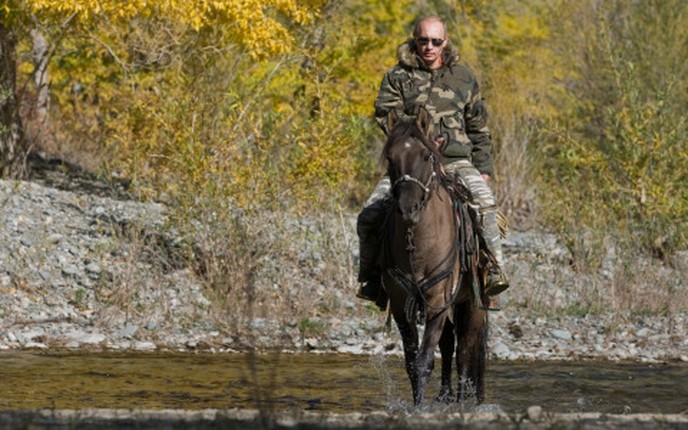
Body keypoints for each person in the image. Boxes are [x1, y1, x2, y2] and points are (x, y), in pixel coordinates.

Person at [356, 15, 509, 309]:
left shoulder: (463, 77)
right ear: (414, 39)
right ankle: (372, 278)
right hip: (410, 164)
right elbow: (385, 117)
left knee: (486, 208)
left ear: (445, 42)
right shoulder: (396, 77)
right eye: (423, 40)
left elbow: (478, 126)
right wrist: (419, 141)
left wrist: (484, 167)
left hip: (456, 161)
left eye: (436, 41)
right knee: (368, 215)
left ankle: (492, 272)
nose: (429, 46)